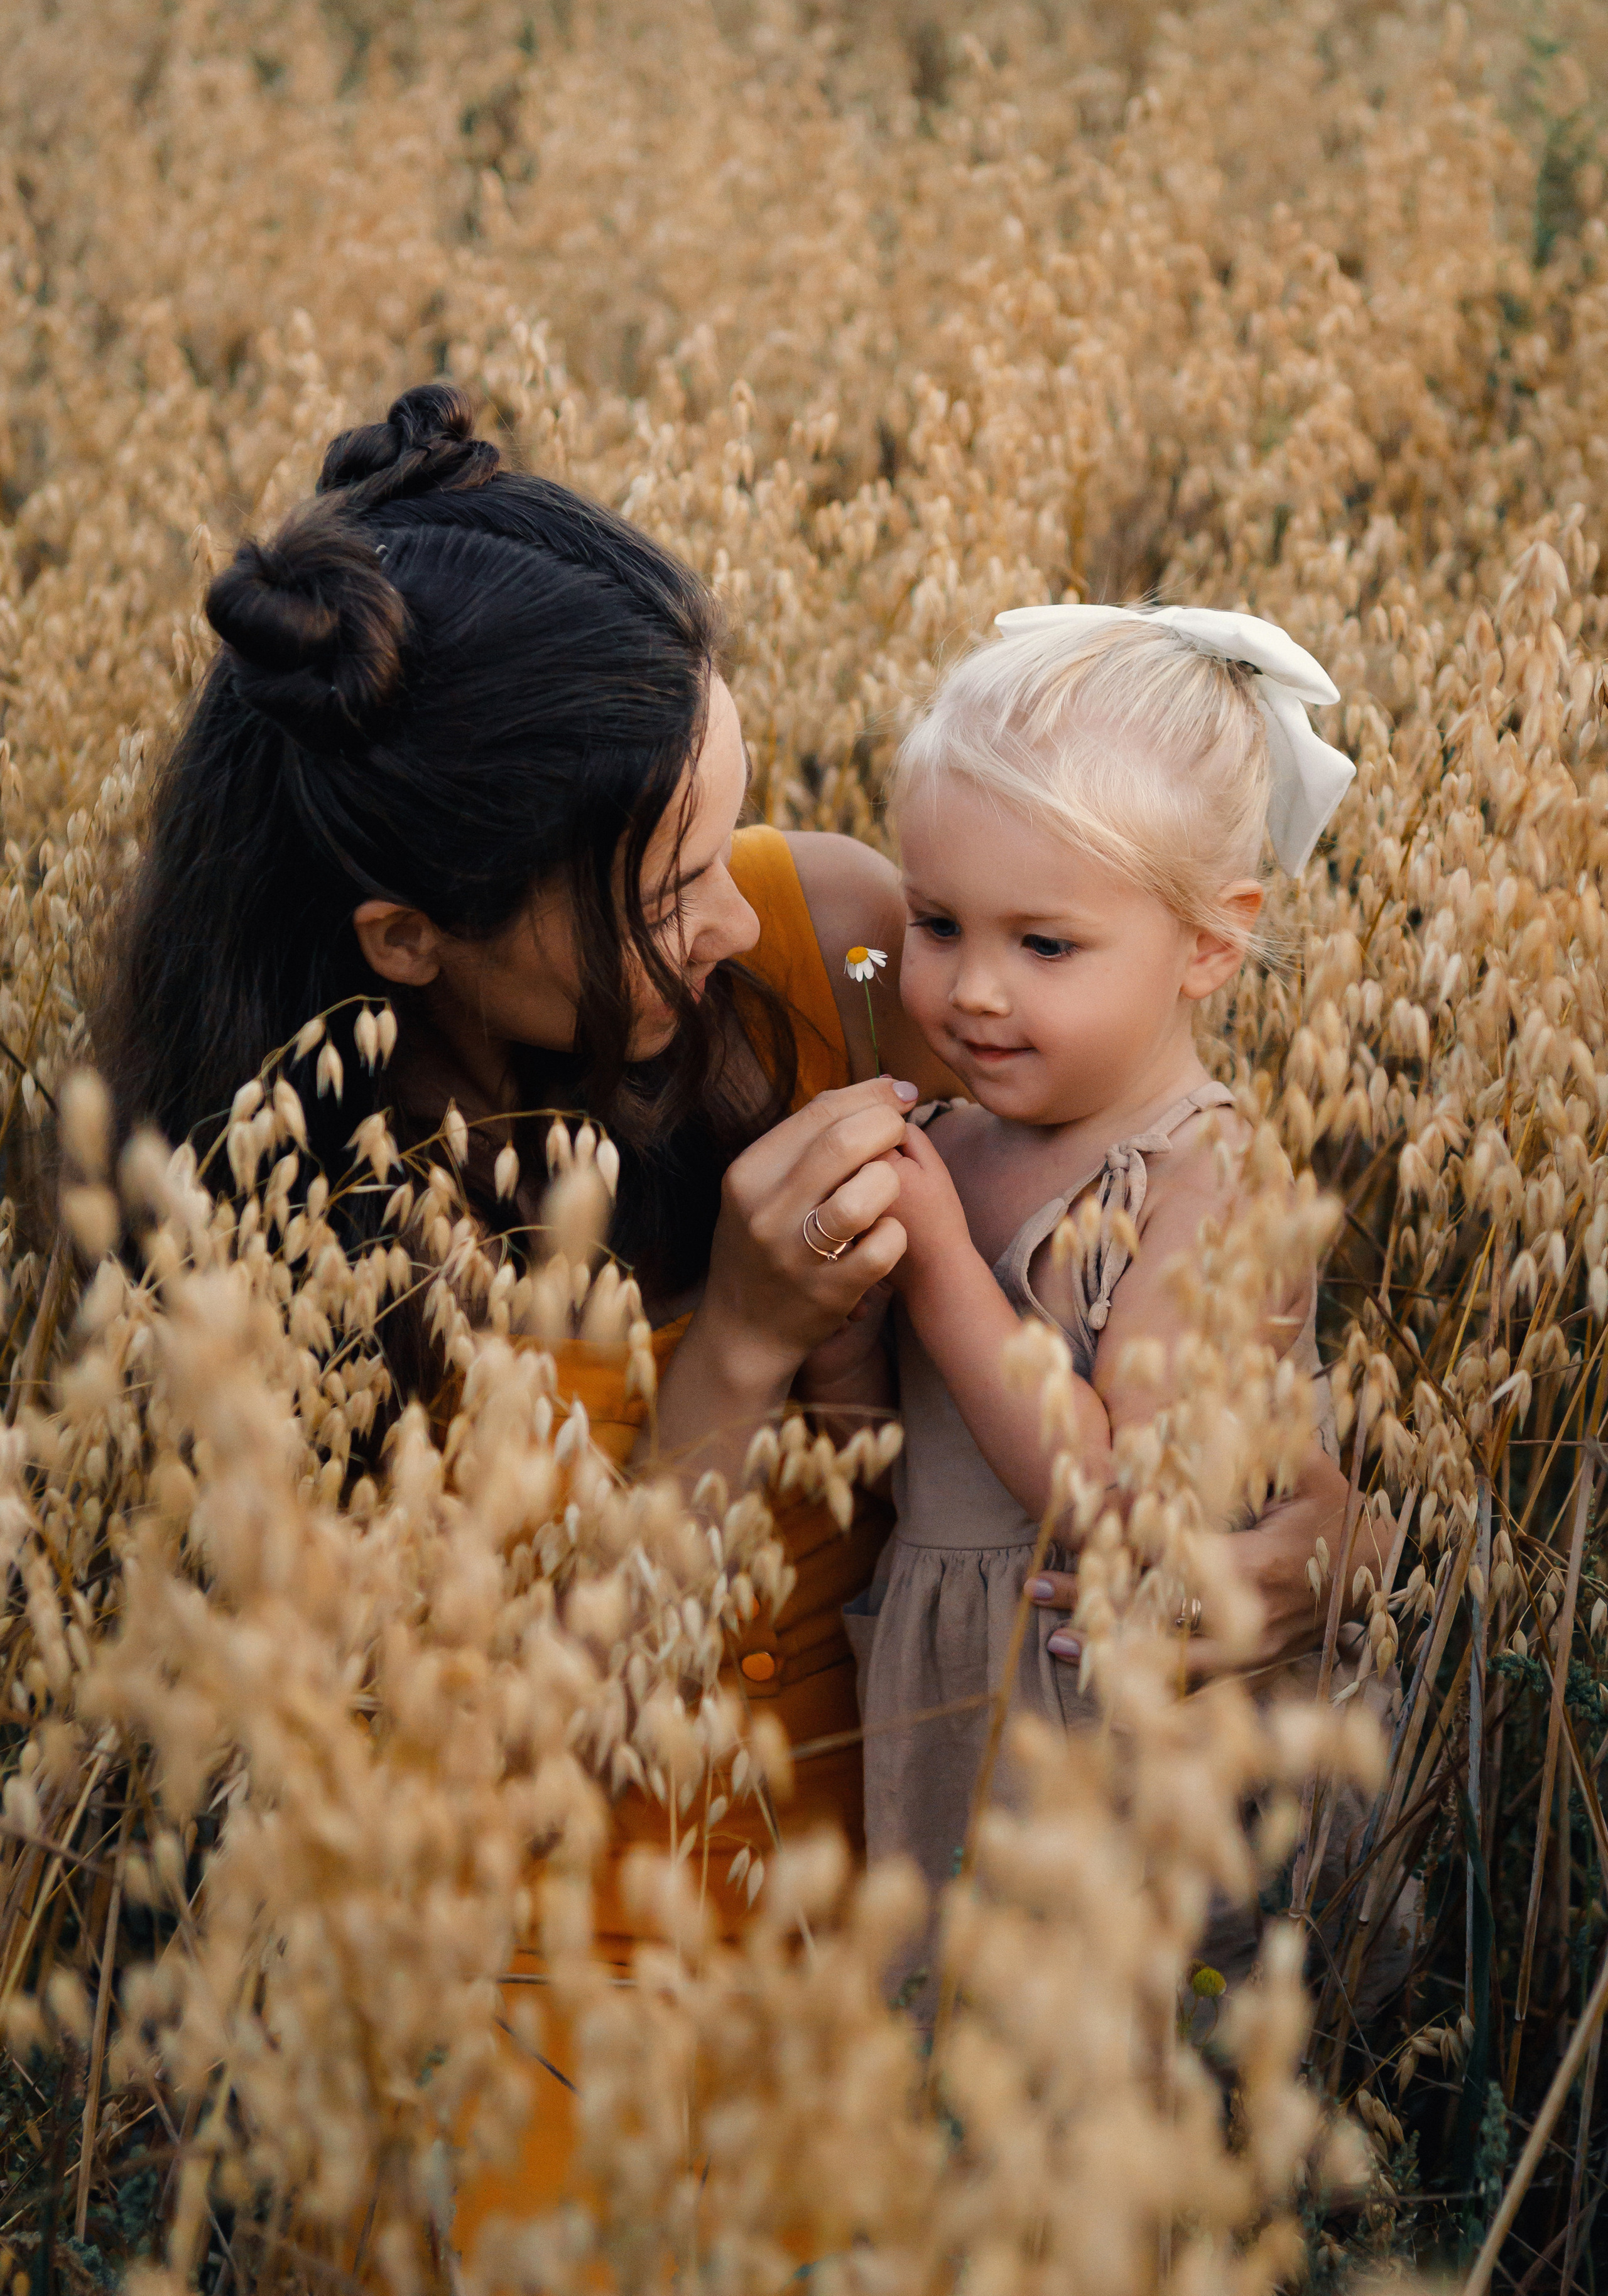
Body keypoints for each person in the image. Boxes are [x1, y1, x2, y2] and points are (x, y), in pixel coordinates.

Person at [94, 398, 1371, 2226]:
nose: (738, 908)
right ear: (408, 941)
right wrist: (744, 1352)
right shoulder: (284, 1239)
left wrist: (1313, 1535)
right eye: (668, 881)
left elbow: (1163, 1206)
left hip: (912, 1937)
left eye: (730, 819)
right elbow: (470, 1763)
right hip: (547, 2025)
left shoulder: (836, 945)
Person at [800, 602, 1399, 2002]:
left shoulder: (1211, 1171)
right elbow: (870, 1459)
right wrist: (837, 1325)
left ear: (1207, 945)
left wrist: (937, 1265)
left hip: (1104, 1709)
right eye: (937, 925)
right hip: (948, 1683)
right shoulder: (946, 1140)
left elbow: (1122, 1495)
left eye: (1046, 946)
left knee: (1106, 2075)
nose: (973, 990)